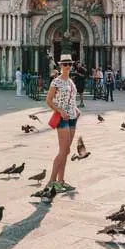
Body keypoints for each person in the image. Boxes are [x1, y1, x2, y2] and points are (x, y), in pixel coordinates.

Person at [45, 54, 81, 193]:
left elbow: (71, 99)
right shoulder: (56, 82)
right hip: (62, 118)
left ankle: (61, 181)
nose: (67, 67)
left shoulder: (71, 82)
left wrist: (76, 110)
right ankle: (51, 182)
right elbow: (48, 100)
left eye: (70, 64)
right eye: (65, 64)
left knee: (66, 151)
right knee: (62, 151)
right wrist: (60, 111)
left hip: (72, 117)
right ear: (60, 66)